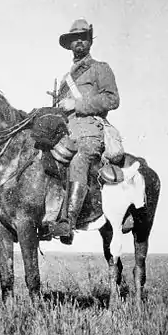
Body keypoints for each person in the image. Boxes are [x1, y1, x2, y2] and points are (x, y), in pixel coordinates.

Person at [56, 18, 124, 245]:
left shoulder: (100, 69)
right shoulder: (65, 80)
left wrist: (77, 105)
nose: (78, 42)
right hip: (67, 133)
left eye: (83, 38)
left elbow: (112, 99)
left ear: (89, 42)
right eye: (74, 39)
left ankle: (68, 223)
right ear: (69, 45)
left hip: (90, 132)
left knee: (79, 160)